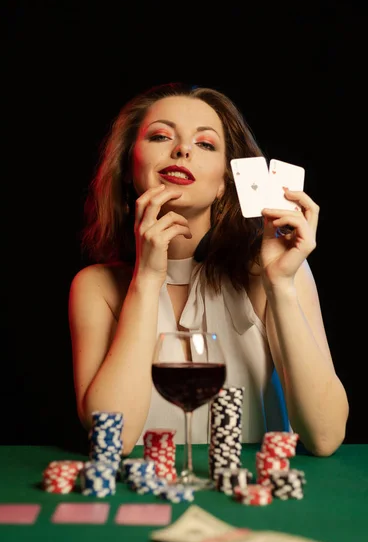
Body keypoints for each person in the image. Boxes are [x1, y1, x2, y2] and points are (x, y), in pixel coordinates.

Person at [68, 82, 349, 457]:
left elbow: (325, 437)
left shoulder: (275, 272)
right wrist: (147, 281)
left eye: (205, 144)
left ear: (223, 184)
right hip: (146, 505)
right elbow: (113, 440)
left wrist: (280, 285)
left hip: (250, 506)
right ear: (127, 169)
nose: (182, 149)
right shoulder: (96, 287)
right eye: (160, 136)